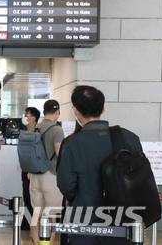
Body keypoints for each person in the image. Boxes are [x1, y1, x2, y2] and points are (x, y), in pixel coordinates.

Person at [57, 85, 143, 245]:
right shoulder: (130, 138)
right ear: (103, 108)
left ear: (75, 110)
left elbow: (66, 186)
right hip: (126, 220)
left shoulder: (72, 144)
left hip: (85, 222)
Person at [29, 100, 64, 242]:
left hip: (34, 175)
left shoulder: (33, 128)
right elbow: (59, 154)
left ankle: (37, 242)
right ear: (58, 112)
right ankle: (48, 243)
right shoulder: (57, 130)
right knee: (51, 214)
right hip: (51, 176)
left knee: (36, 213)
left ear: (43, 112)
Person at [20, 106, 40, 231]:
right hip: (25, 168)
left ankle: (30, 223)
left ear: (34, 118)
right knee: (26, 195)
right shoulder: (25, 131)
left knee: (31, 195)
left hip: (32, 169)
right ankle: (27, 221)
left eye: (27, 115)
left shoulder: (36, 131)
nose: (25, 117)